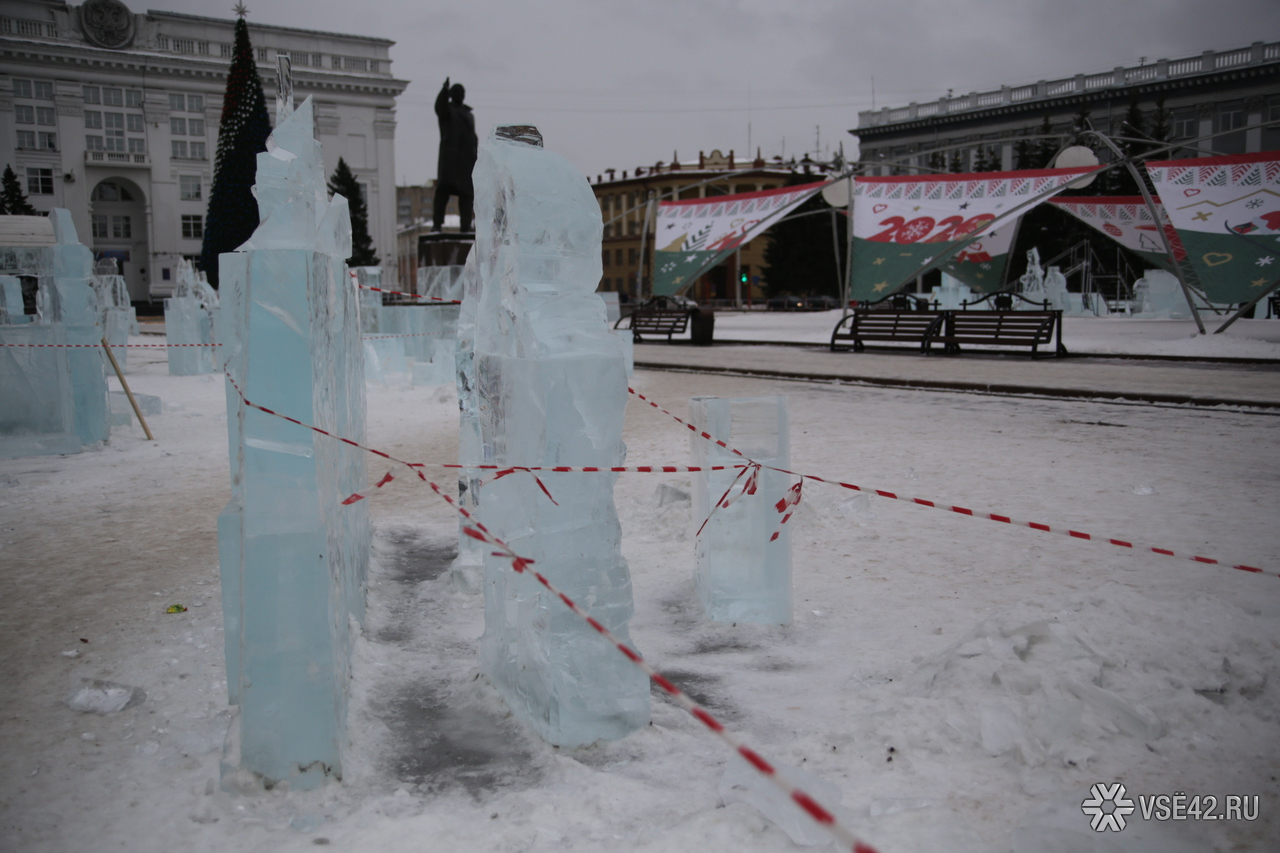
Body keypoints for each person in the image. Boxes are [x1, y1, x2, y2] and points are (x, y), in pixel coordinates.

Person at [433, 77, 477, 233]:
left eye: (462, 92)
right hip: (450, 157)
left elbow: (473, 137)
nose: (460, 94)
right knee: (443, 191)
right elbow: (439, 108)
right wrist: (444, 91)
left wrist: (477, 158)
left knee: (467, 195)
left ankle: (466, 226)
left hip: (466, 161)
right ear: (451, 94)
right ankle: (437, 225)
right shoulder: (447, 110)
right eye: (456, 91)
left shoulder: (469, 114)